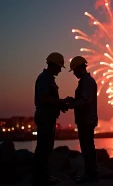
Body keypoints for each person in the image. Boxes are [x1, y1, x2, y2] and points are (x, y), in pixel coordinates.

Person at [32, 52, 69, 186]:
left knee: (46, 147)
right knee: (44, 147)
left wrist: (60, 104)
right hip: (45, 117)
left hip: (48, 116)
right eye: (59, 67)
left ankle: (43, 176)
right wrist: (61, 102)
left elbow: (50, 100)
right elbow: (44, 98)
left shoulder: (48, 79)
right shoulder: (44, 79)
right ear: (52, 65)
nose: (60, 69)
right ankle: (40, 178)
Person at [65, 56, 99, 184]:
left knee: (87, 148)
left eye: (74, 70)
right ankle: (91, 175)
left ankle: (91, 176)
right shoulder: (85, 82)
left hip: (86, 120)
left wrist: (70, 105)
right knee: (87, 148)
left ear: (80, 68)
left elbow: (85, 101)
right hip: (85, 120)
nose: (73, 73)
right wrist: (72, 101)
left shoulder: (87, 82)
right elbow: (84, 100)